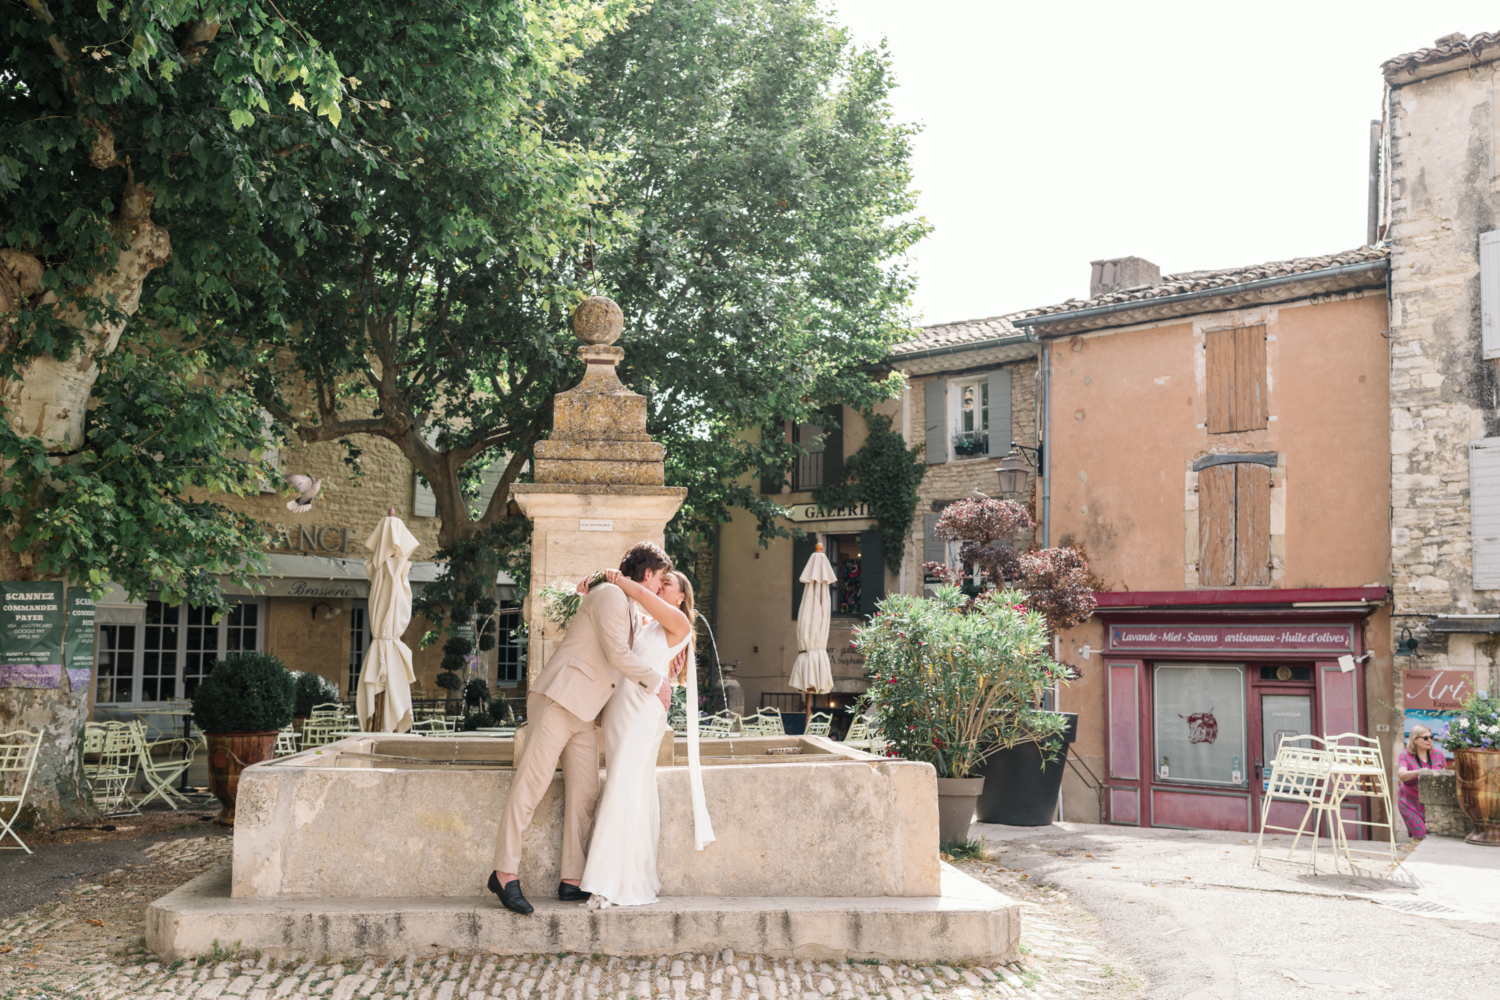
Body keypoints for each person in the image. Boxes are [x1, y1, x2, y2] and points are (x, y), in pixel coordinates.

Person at [487, 541, 674, 915]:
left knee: (586, 794)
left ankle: (572, 879)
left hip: (588, 713)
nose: (660, 588)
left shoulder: (630, 606)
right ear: (648, 573)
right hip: (560, 699)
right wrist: (658, 682)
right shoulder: (609, 596)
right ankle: (504, 873)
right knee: (531, 786)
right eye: (661, 579)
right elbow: (616, 654)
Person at [577, 568, 707, 906]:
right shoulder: (644, 623)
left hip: (643, 712)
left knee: (623, 785)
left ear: (681, 596)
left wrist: (614, 577)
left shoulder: (679, 623)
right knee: (633, 787)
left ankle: (610, 882)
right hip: (620, 710)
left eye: (668, 584)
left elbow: (642, 595)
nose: (660, 587)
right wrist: (588, 593)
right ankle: (633, 874)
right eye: (660, 582)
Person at [1396, 724, 1448, 839]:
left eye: (1431, 737)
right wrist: (1419, 771)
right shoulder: (1405, 755)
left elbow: (1444, 777)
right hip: (1409, 802)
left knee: (1433, 837)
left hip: (1431, 803)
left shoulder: (1438, 755)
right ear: (1415, 740)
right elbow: (1402, 775)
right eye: (1425, 738)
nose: (1429, 740)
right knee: (1420, 834)